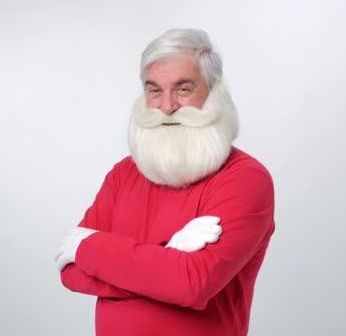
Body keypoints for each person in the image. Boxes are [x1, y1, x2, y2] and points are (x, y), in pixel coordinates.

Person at [54, 28, 275, 336]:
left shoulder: (245, 179)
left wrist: (90, 247)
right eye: (154, 90)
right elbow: (71, 272)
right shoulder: (124, 173)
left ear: (213, 93)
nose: (167, 106)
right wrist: (167, 254)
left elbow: (191, 285)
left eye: (183, 89)